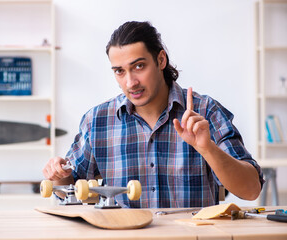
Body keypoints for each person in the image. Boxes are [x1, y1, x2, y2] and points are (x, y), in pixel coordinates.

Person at [43, 21, 264, 208]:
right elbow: (70, 191)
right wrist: (59, 174)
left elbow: (251, 190)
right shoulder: (97, 121)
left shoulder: (205, 112)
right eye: (120, 71)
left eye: (139, 66)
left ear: (160, 60)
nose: (130, 82)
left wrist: (208, 149)